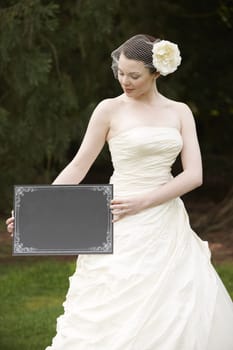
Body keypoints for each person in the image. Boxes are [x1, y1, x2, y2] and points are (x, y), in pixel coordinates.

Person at [6, 34, 233, 350]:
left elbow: (194, 175)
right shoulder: (108, 109)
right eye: (120, 73)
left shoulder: (180, 112)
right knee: (111, 302)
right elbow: (77, 167)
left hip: (163, 219)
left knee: (173, 302)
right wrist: (34, 209)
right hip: (115, 216)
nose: (125, 81)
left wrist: (144, 201)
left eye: (134, 75)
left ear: (156, 72)